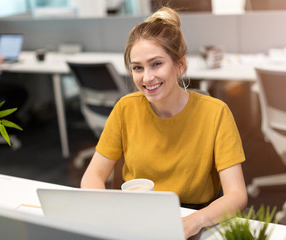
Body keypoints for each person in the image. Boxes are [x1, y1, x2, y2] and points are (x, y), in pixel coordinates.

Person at [81, 7, 248, 239]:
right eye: (137, 67)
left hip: (193, 218)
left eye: (156, 64)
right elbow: (93, 176)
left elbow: (237, 194)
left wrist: (193, 222)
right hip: (137, 219)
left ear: (180, 65)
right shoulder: (125, 108)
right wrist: (107, 214)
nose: (147, 78)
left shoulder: (215, 113)